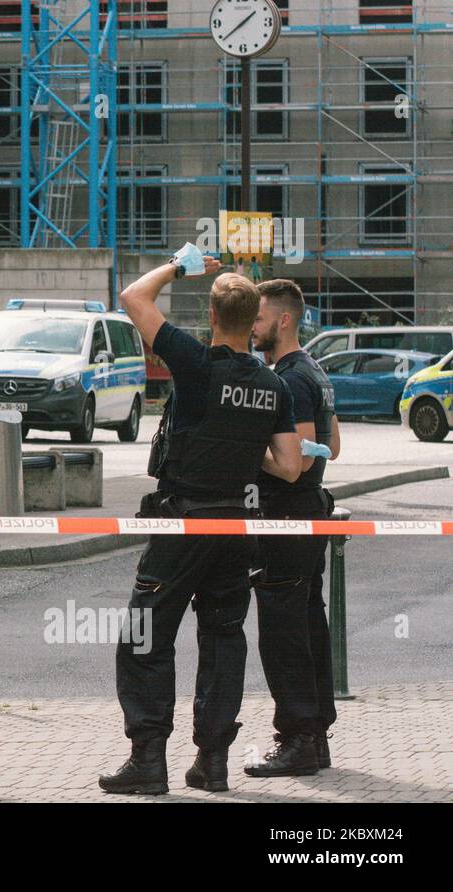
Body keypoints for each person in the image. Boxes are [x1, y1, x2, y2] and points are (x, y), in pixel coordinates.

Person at [99, 260, 302, 796]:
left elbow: (132, 296)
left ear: (211, 315)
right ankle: (211, 763)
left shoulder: (193, 362)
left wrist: (179, 265)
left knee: (145, 637)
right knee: (222, 638)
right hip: (237, 526)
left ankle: (147, 761)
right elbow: (287, 465)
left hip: (183, 522)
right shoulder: (271, 385)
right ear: (254, 317)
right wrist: (239, 442)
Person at [246, 279, 342, 777]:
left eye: (258, 318)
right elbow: (334, 445)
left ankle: (298, 738)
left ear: (284, 319)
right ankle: (315, 737)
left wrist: (246, 452)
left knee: (283, 630)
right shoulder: (316, 372)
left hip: (287, 514)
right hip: (310, 512)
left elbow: (295, 463)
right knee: (307, 624)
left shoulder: (288, 377)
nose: (253, 327)